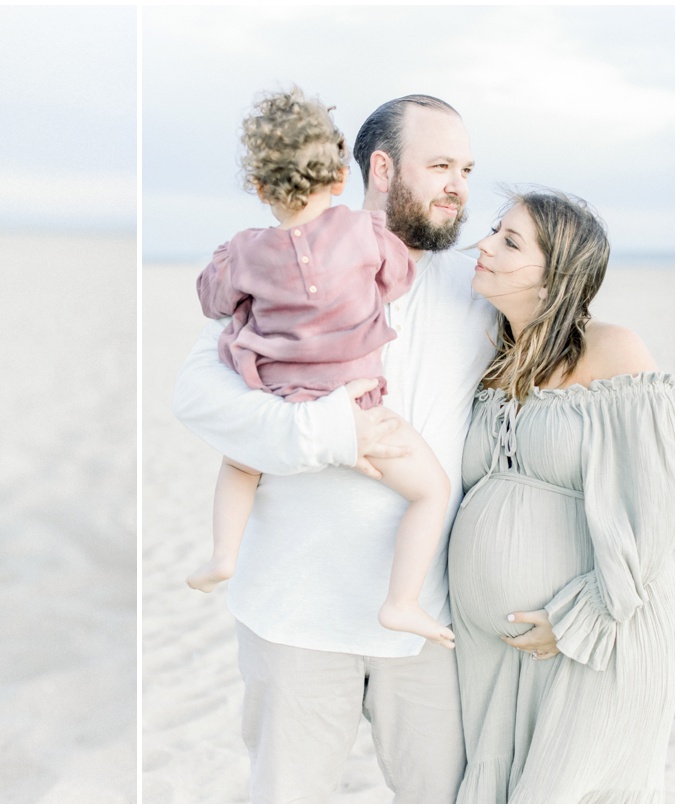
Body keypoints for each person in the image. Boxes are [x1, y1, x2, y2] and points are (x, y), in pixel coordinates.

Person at [173, 94, 495, 802]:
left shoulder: (479, 292)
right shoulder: (274, 278)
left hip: (424, 622)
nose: (458, 186)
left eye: (467, 169)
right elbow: (197, 399)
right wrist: (328, 435)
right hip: (295, 618)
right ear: (381, 167)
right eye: (440, 165)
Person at [185, 88, 454, 649]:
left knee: (240, 464)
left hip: (281, 394)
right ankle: (402, 602)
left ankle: (222, 555)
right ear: (339, 179)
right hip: (356, 404)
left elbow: (211, 298)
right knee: (431, 492)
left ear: (260, 188)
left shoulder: (245, 251)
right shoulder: (363, 234)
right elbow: (397, 279)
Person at [448, 190, 673, 803]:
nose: (484, 245)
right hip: (498, 660)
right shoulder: (494, 360)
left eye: (510, 241)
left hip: (594, 642)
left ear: (557, 278)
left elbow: (659, 506)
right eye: (494, 230)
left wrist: (582, 617)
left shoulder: (614, 349)